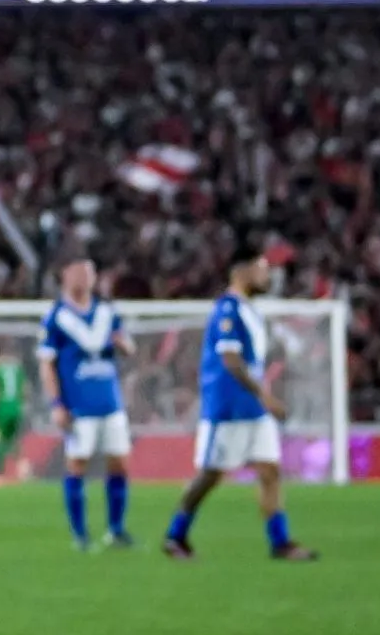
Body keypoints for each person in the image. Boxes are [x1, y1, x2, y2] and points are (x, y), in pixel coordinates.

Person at [164, 237, 316, 562]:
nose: (267, 276)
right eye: (261, 268)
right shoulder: (227, 310)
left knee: (270, 470)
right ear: (241, 271)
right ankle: (175, 535)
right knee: (211, 475)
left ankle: (280, 542)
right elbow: (230, 359)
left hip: (254, 408)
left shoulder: (250, 311)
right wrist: (265, 395)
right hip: (229, 407)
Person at [39, 254, 135, 550]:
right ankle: (80, 534)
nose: (84, 278)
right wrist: (57, 404)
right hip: (78, 405)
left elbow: (128, 346)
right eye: (78, 272)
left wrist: (123, 345)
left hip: (110, 401)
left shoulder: (107, 312)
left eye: (89, 273)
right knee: (77, 465)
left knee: (119, 463)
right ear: (65, 275)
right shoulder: (57, 317)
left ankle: (116, 530)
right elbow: (47, 364)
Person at [0, 352, 29, 484]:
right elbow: (25, 390)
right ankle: (23, 468)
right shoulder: (17, 370)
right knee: (13, 439)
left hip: (2, 409)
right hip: (16, 408)